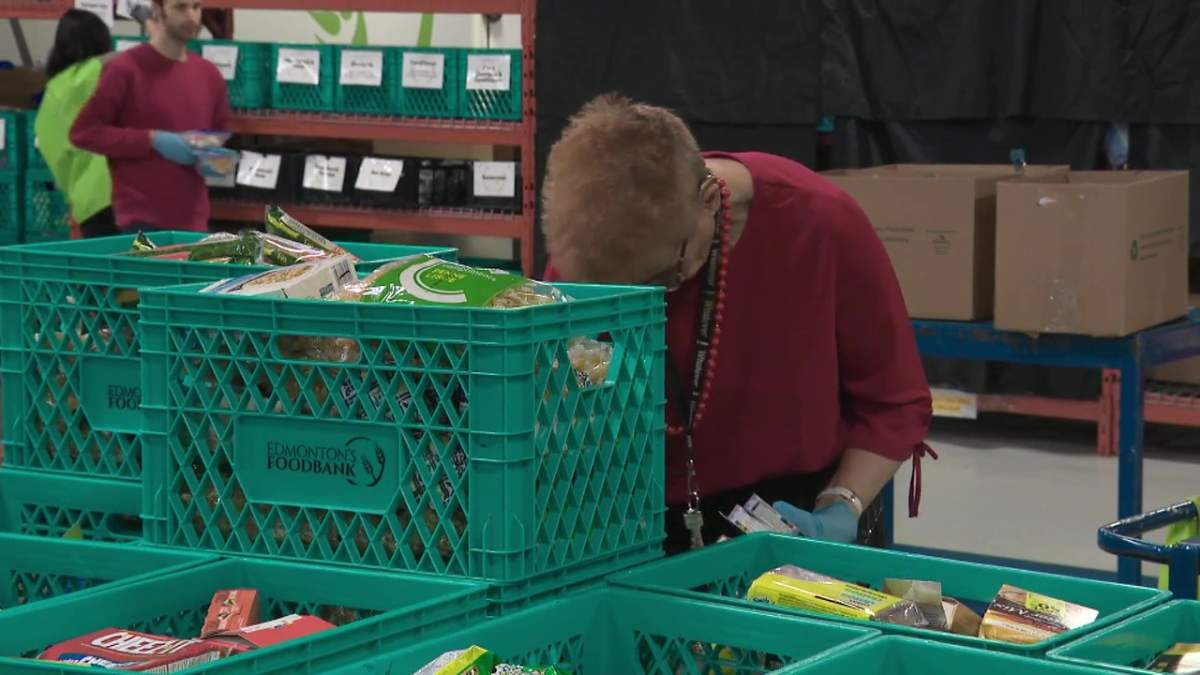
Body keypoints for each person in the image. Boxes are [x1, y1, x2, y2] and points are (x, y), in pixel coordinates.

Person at [541, 94, 934, 553]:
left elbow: (893, 401)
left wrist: (841, 505)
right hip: (641, 519)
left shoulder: (821, 223)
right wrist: (605, 389)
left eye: (665, 278)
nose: (650, 300)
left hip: (793, 517)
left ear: (709, 200)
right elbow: (577, 367)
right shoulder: (594, 249)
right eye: (620, 291)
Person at [70, 0, 231, 233]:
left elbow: (221, 129)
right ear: (157, 10)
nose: (191, 16)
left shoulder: (209, 74)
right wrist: (152, 140)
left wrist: (210, 150)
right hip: (139, 222)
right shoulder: (126, 69)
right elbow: (84, 132)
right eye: (181, 7)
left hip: (194, 222)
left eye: (196, 7)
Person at [35, 9, 116, 238]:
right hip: (112, 194)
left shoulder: (55, 89)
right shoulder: (87, 77)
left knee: (103, 270)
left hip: (84, 200)